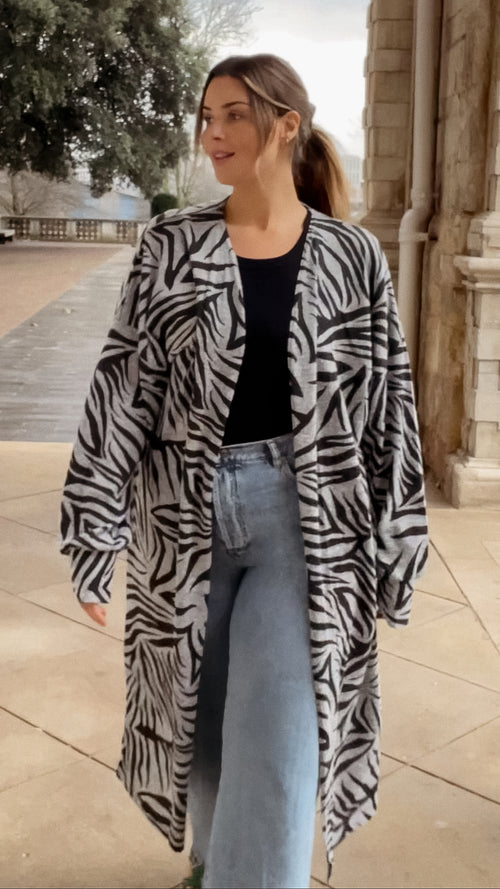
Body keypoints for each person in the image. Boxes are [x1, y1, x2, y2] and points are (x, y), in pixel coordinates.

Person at [60, 53, 428, 889]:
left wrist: (398, 540)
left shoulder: (351, 258)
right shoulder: (171, 245)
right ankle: (216, 864)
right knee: (199, 726)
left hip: (302, 519)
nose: (213, 133)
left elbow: (388, 407)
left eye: (233, 114)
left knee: (276, 734)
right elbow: (124, 389)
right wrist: (94, 527)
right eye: (208, 116)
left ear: (286, 126)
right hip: (180, 516)